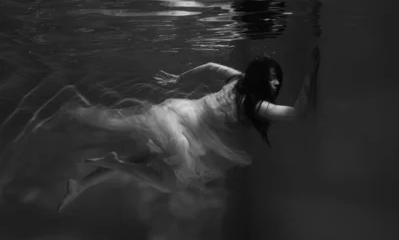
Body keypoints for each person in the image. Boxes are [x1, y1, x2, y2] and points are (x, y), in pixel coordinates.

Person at [57, 47, 320, 210]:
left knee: (142, 150)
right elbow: (298, 112)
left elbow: (209, 67)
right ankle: (108, 157)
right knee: (167, 181)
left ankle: (81, 183)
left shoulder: (239, 81)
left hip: (178, 115)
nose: (275, 84)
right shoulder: (256, 105)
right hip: (184, 134)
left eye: (278, 80)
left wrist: (179, 79)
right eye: (271, 78)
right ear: (259, 78)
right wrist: (311, 71)